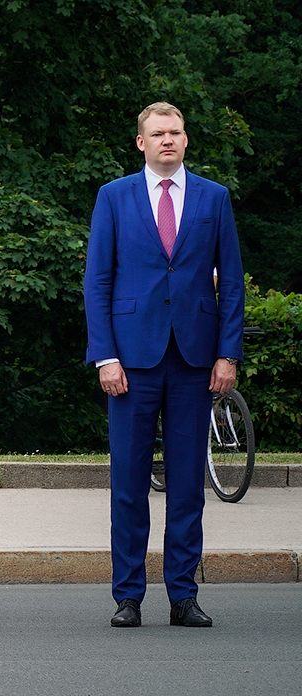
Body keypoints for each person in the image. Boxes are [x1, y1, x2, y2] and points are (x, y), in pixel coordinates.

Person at [84, 102, 245, 629]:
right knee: (128, 480)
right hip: (131, 360)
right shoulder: (113, 197)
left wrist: (227, 353)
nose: (167, 140)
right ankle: (128, 595)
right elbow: (99, 283)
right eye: (158, 134)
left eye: (175, 132)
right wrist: (106, 355)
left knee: (187, 482)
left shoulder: (214, 198)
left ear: (186, 140)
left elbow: (233, 284)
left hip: (196, 359)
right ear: (141, 143)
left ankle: (183, 594)